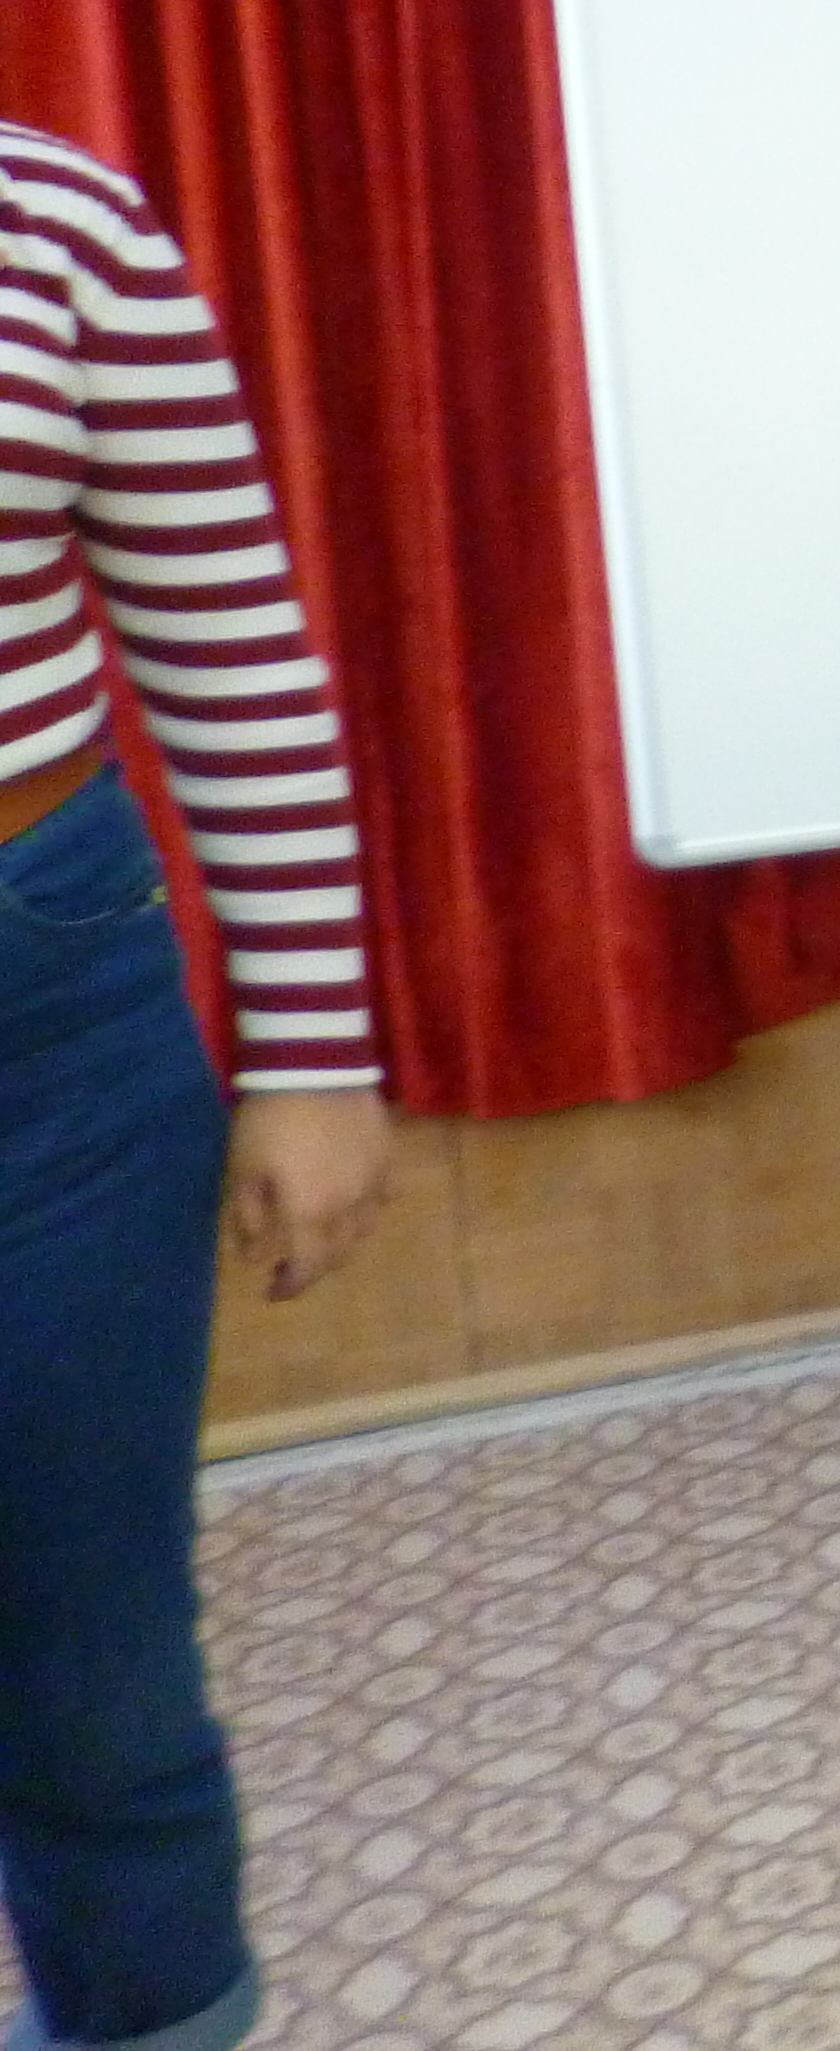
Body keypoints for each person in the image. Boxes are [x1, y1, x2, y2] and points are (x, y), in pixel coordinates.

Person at [2, 117, 395, 2051]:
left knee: (94, 1674)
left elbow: (232, 655)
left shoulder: (58, 227)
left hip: (45, 1027)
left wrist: (314, 1050)